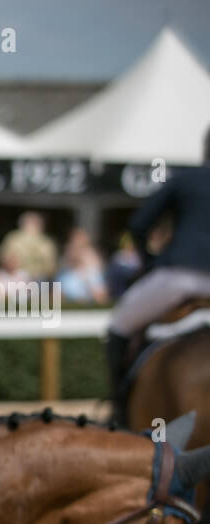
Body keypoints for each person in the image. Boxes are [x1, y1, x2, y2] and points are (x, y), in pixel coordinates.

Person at [107, 127, 210, 417]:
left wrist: (150, 260)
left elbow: (139, 225)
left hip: (180, 276)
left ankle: (118, 409)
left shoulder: (184, 180)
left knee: (118, 328)